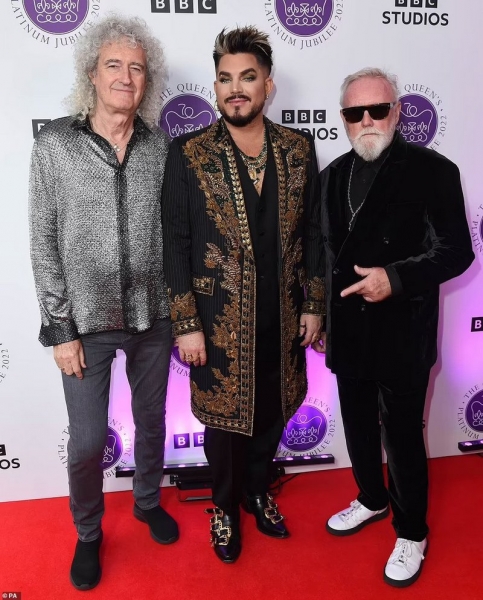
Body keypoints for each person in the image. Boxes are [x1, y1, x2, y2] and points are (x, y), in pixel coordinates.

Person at [161, 26, 323, 563]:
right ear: (215, 87)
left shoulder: (298, 149)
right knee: (223, 425)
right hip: (217, 319)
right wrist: (186, 323)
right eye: (225, 78)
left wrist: (314, 304)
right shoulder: (189, 153)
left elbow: (314, 234)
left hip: (283, 316)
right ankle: (225, 508)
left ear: (267, 86)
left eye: (247, 77)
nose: (236, 89)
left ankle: (257, 491)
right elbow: (175, 242)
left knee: (273, 411)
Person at [29, 15, 178, 591]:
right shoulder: (54, 145)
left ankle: (146, 501)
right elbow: (43, 240)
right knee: (88, 442)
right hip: (84, 324)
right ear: (91, 74)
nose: (125, 77)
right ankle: (88, 532)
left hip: (153, 317)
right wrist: (59, 327)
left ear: (147, 80)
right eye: (113, 65)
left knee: (151, 421)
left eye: (136, 68)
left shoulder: (161, 147)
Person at [314, 67, 474, 587]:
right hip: (347, 331)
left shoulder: (433, 171)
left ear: (397, 112)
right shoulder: (332, 176)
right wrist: (319, 314)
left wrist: (396, 278)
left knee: (402, 435)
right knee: (357, 425)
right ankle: (371, 498)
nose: (367, 120)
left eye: (378, 109)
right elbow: (324, 256)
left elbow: (457, 251)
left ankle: (411, 532)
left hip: (402, 333)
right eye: (354, 112)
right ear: (343, 118)